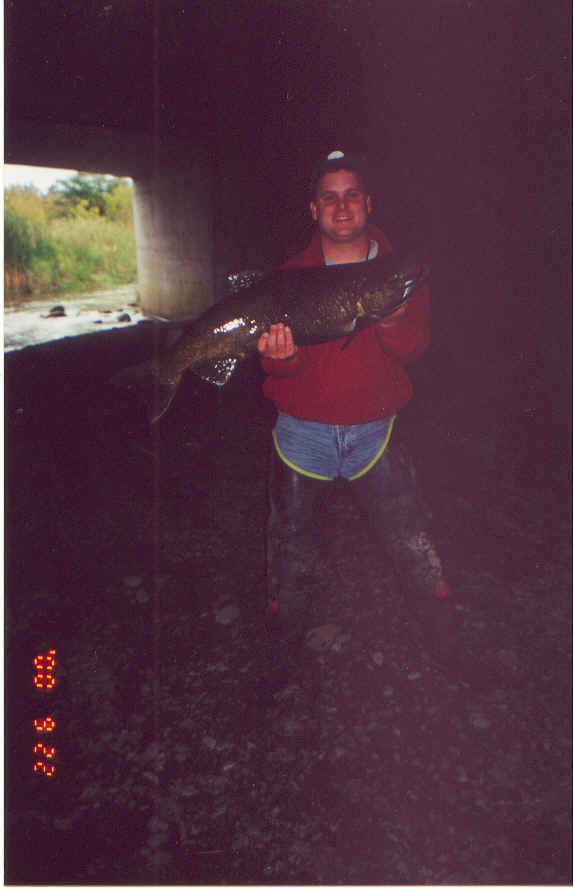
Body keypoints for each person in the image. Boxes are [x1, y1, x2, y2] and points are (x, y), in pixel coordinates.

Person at [256, 149, 454, 676]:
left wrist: (390, 322)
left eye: (351, 196)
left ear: (368, 203)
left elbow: (414, 347)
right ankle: (280, 658)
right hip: (302, 436)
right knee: (290, 553)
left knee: (413, 540)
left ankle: (448, 643)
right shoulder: (289, 276)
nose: (341, 206)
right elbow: (280, 369)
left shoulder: (399, 271)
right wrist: (282, 358)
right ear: (313, 209)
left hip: (375, 434)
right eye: (329, 197)